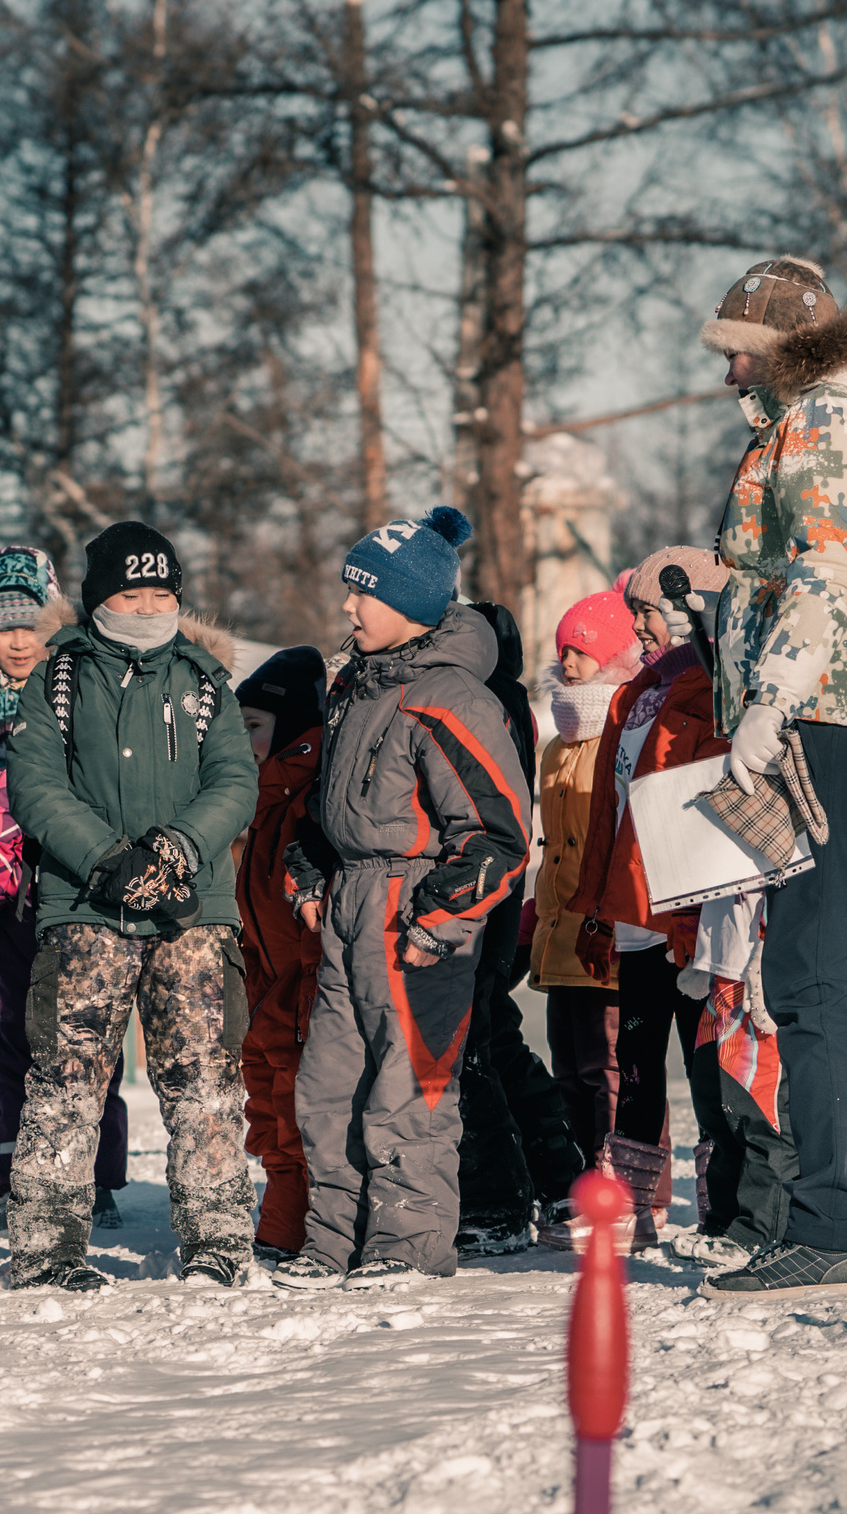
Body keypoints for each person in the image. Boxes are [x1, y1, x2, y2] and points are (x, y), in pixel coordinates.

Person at [698, 259, 847, 1302]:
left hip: (836, 712)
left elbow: (827, 568)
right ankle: (838, 1211)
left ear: (786, 343)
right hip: (843, 713)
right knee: (819, 973)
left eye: (736, 350)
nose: (727, 372)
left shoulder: (829, 421)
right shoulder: (827, 418)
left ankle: (835, 1224)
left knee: (813, 978)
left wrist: (772, 693)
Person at [2, 521, 261, 1290]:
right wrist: (109, 859)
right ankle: (47, 1249)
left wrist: (177, 847)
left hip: (192, 910)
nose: (147, 606)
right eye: (129, 592)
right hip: (84, 911)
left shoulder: (206, 680)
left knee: (206, 1079)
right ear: (98, 599)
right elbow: (35, 783)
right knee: (65, 1079)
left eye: (160, 593)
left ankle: (218, 1241)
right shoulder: (56, 678)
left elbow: (235, 781)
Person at [276, 507, 529, 1289]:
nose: (348, 608)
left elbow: (499, 832)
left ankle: (406, 1244)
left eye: (364, 595)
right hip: (350, 906)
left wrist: (436, 921)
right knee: (327, 1085)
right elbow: (327, 811)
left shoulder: (452, 697)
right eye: (347, 592)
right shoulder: (355, 687)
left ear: (414, 605)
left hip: (412, 910)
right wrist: (310, 872)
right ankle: (333, 1240)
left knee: (408, 1088)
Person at [0, 547, 130, 1228]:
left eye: (31, 623)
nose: (18, 639)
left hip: (67, 892)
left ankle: (96, 1180)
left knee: (85, 1039)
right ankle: (5, 1173)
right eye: (3, 625)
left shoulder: (77, 686)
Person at [565, 548, 728, 1251]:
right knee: (636, 1068)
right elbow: (611, 807)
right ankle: (637, 1209)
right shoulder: (637, 693)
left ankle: (723, 1208)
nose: (640, 627)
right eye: (632, 614)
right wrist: (597, 905)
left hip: (690, 914)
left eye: (649, 612)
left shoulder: (720, 687)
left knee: (707, 1071)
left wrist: (698, 911)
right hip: (634, 912)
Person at [451, 599, 587, 1256]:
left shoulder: (486, 701)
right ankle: (560, 1175)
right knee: (495, 1034)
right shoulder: (507, 699)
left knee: (473, 1040)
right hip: (500, 888)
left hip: (482, 889)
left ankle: (500, 1194)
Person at [526, 585, 645, 1174]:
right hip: (560, 931)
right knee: (570, 1068)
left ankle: (627, 1188)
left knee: (612, 1071)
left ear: (620, 657)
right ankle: (582, 1185)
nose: (568, 662)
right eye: (564, 650)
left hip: (608, 938)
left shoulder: (625, 736)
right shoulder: (558, 746)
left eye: (584, 650)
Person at [233, 646, 327, 1257]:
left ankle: (296, 1224)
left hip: (301, 984)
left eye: (255, 727)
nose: (243, 741)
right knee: (265, 1099)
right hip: (266, 979)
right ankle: (281, 1214)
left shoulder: (304, 795)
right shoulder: (260, 799)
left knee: (296, 1105)